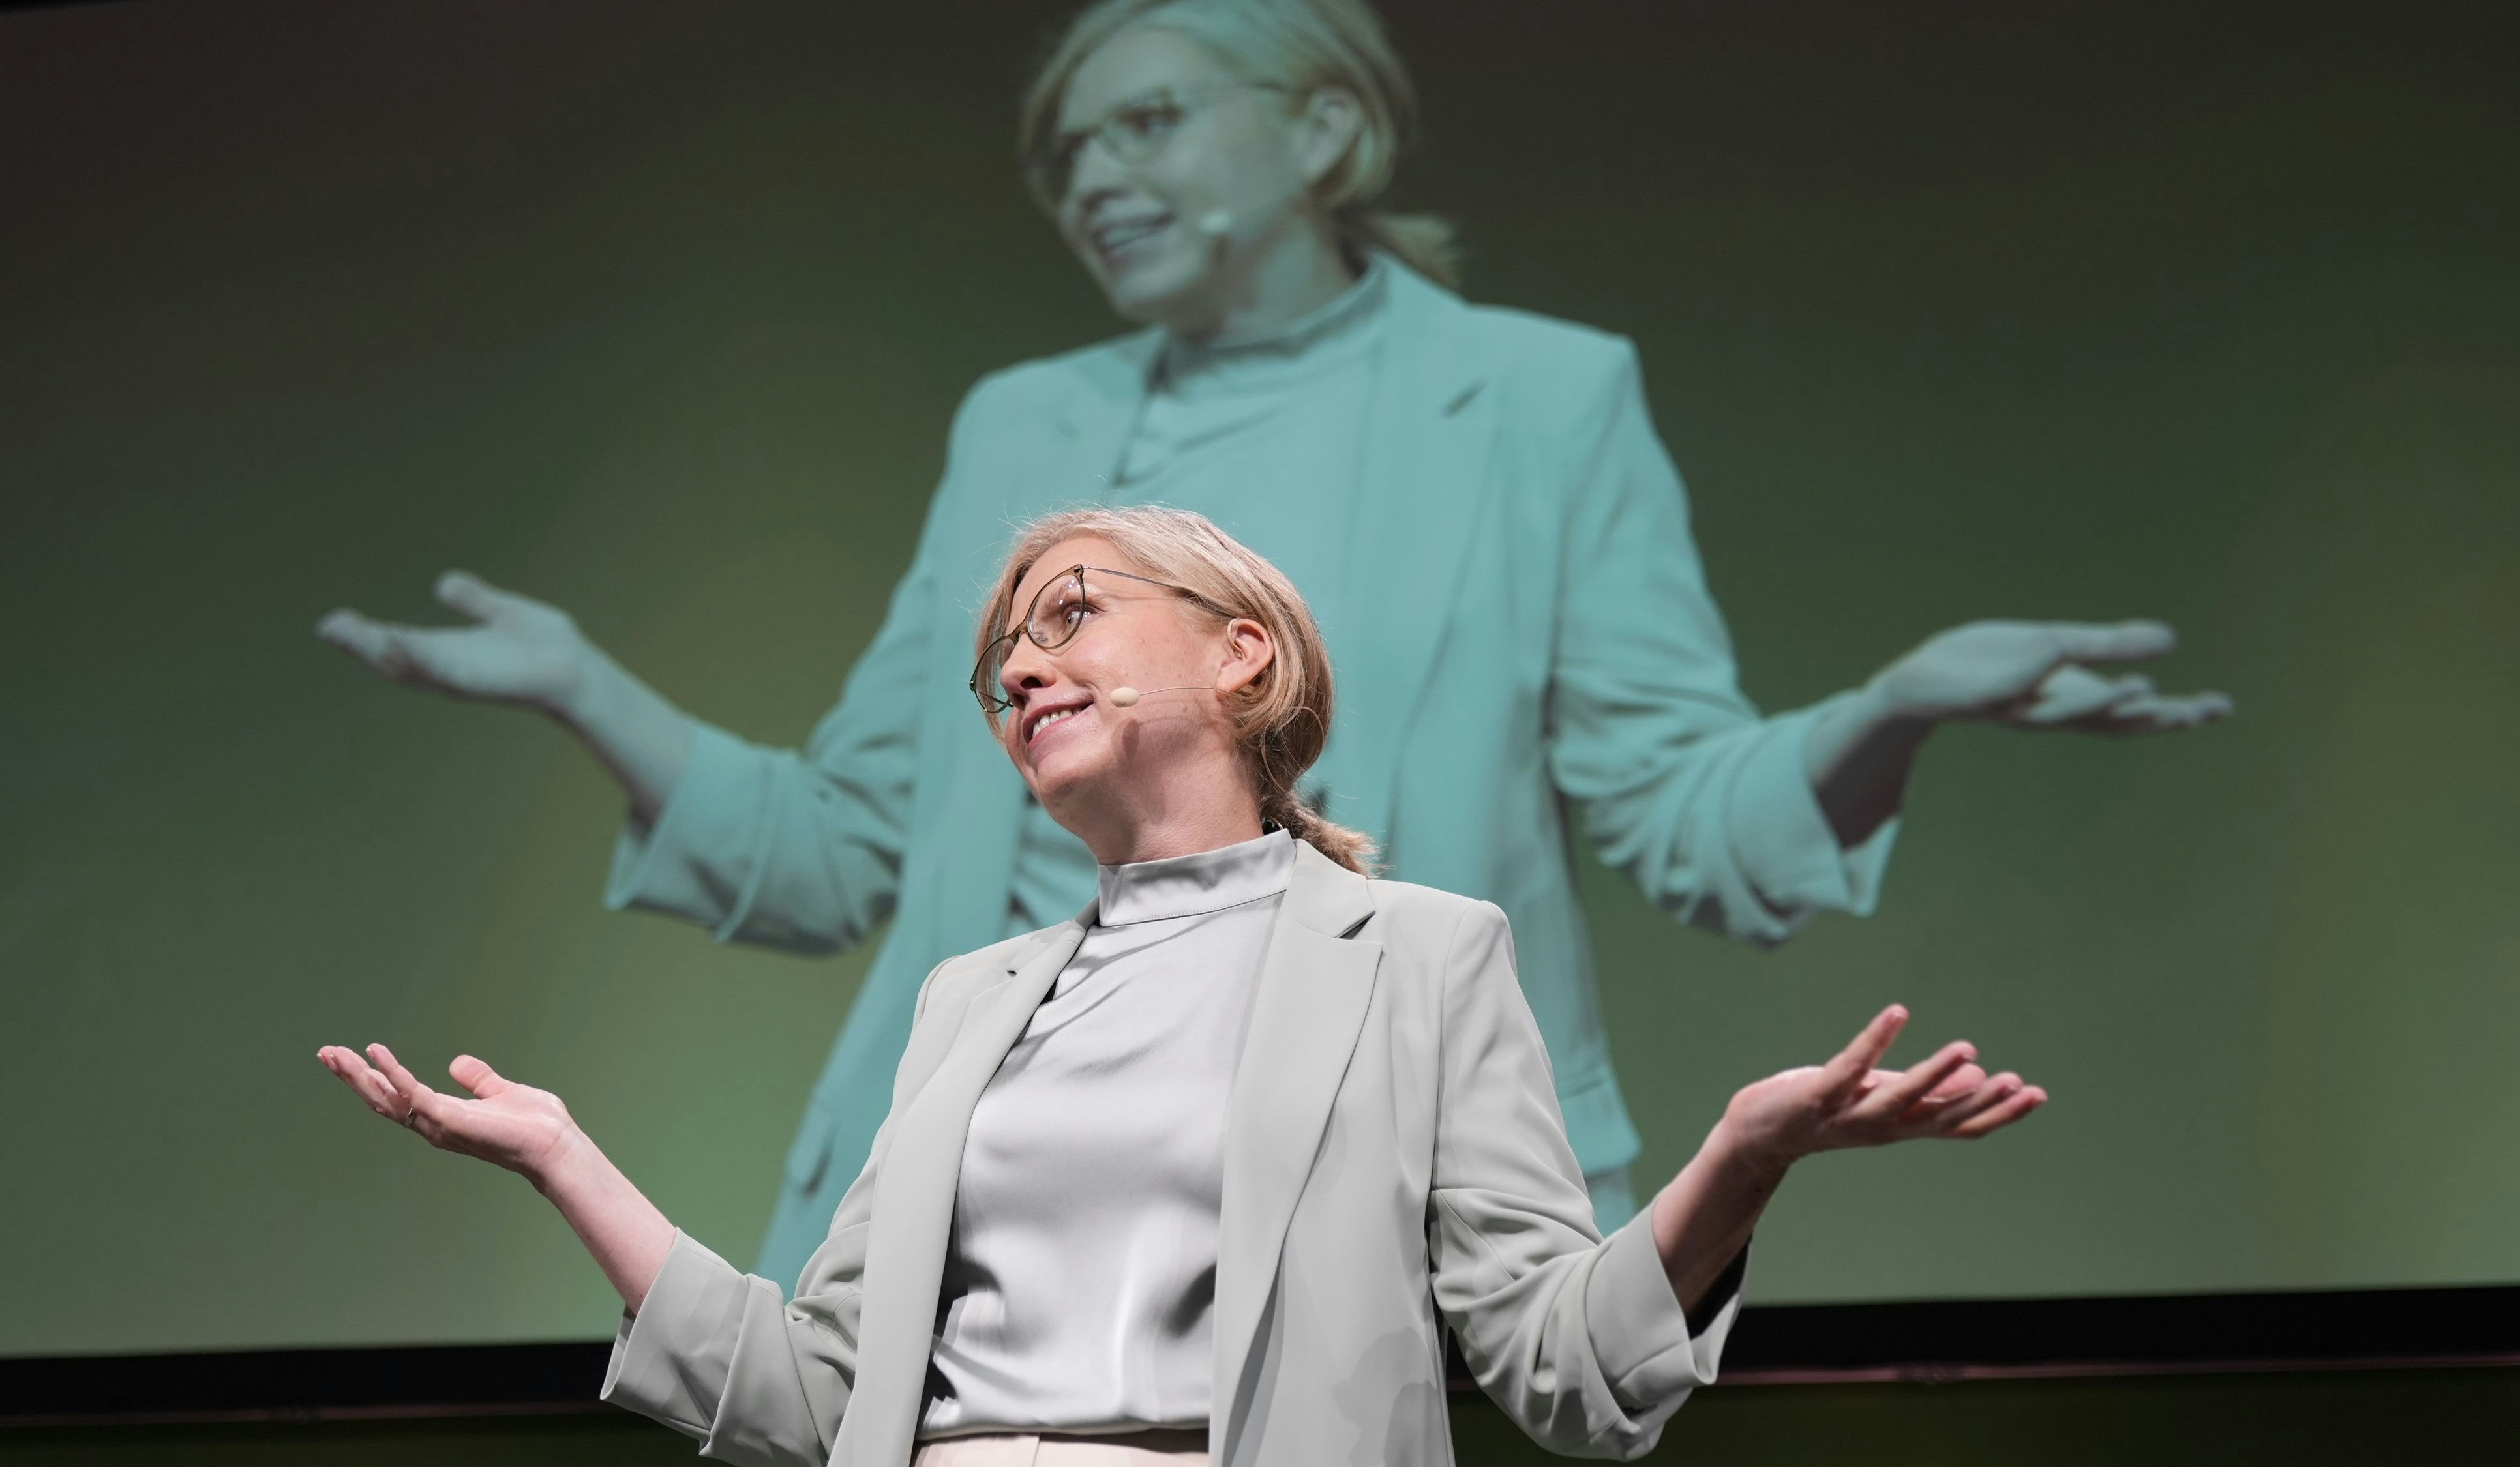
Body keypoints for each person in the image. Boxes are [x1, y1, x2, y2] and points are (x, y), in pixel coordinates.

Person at [315, 0, 2219, 1282]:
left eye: (1148, 123)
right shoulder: (1023, 428)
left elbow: (1685, 818)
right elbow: (852, 853)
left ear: (1323, 127)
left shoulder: (1537, 404)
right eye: (1065, 155)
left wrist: (1892, 710)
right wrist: (585, 686)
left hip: (1382, 1201)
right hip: (988, 1207)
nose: (1094, 181)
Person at [317, 508, 2047, 1466]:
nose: (1021, 661)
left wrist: (1738, 1156)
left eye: (1070, 613)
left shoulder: (1424, 955)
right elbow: (816, 1391)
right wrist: (566, 1159)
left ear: (1246, 651)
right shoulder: (966, 1002)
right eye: (1005, 655)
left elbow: (1561, 1375)